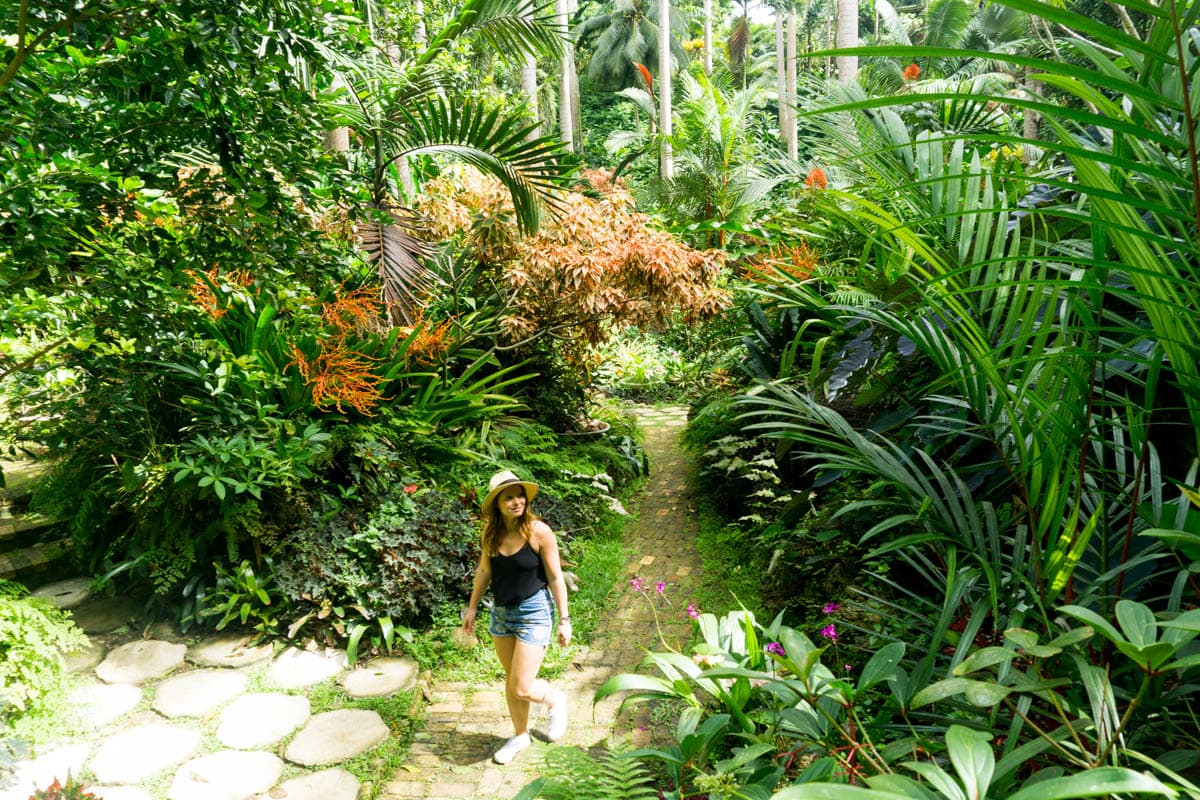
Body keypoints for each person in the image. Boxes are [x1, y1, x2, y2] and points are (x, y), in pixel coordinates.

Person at [462, 470, 572, 764]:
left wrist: (564, 619)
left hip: (534, 612)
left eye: (519, 495)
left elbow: (555, 577)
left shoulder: (539, 532)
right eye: (508, 497)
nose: (516, 501)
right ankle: (521, 735)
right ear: (497, 504)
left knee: (523, 685)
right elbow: (485, 572)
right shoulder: (490, 534)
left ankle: (554, 699)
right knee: (512, 681)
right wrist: (472, 607)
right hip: (501, 614)